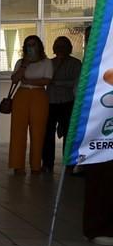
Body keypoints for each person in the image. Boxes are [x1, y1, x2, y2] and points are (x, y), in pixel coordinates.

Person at [9, 35, 53, 174]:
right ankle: (18, 165)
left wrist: (28, 81)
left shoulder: (46, 62)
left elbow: (46, 80)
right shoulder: (21, 62)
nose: (31, 47)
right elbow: (15, 79)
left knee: (38, 132)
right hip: (21, 95)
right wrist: (24, 65)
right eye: (28, 45)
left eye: (33, 45)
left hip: (39, 96)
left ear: (39, 46)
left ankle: (35, 165)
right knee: (18, 131)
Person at [41, 36, 81, 172]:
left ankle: (69, 165)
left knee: (69, 134)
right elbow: (44, 80)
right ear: (53, 48)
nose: (60, 48)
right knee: (47, 134)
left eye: (63, 45)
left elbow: (77, 82)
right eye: (57, 45)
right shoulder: (48, 63)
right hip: (50, 102)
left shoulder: (76, 63)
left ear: (69, 48)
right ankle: (47, 164)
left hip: (68, 102)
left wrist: (57, 83)